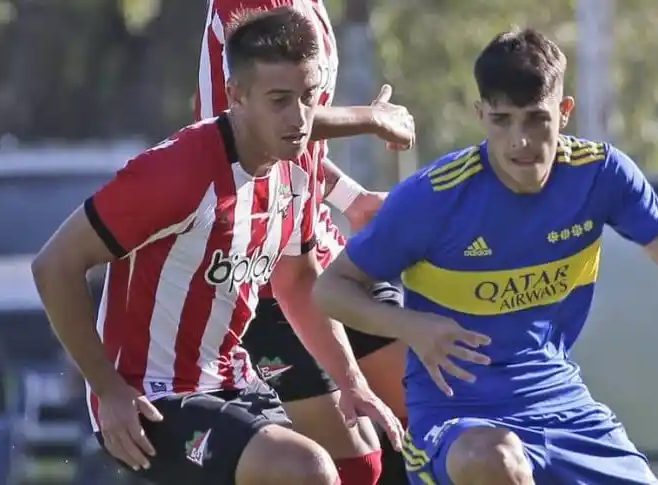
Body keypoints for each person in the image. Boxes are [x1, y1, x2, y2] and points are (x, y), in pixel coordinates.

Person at [313, 28, 658, 485]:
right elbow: (331, 288)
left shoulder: (601, 175)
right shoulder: (434, 196)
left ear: (564, 112)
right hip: (458, 420)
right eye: (502, 120)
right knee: (497, 461)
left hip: (563, 406)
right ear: (480, 114)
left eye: (535, 119)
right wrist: (410, 326)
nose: (519, 141)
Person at [31, 8, 401, 485]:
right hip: (153, 400)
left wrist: (352, 384)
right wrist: (108, 389)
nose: (300, 118)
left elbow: (298, 281)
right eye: (280, 100)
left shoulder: (294, 167)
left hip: (233, 379)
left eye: (309, 98)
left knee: (364, 464)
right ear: (237, 96)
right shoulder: (178, 174)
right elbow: (54, 265)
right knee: (304, 470)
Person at [197, 2, 412, 484]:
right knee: (356, 463)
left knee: (427, 412)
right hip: (262, 269)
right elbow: (248, 132)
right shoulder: (248, 9)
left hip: (316, 246)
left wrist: (349, 197)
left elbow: (292, 138)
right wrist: (370, 118)